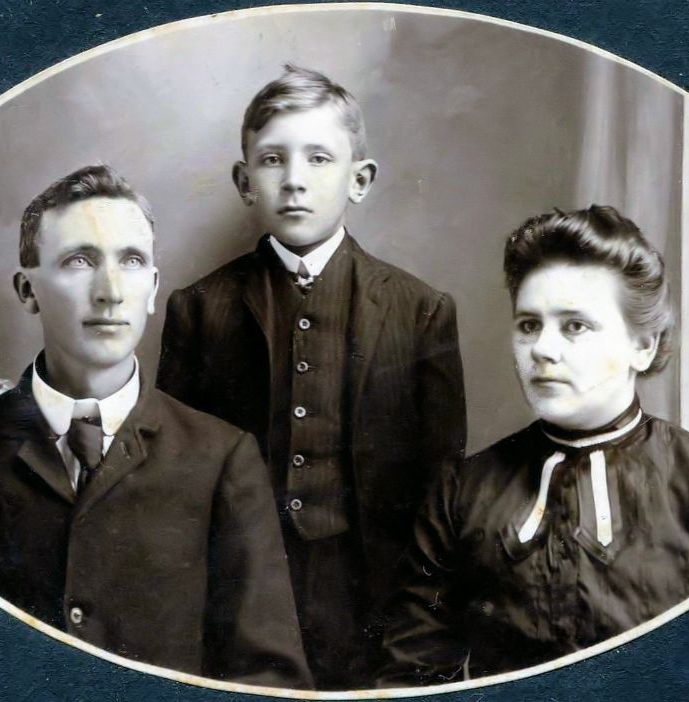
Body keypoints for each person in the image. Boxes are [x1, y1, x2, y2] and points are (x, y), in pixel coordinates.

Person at [0, 165, 311, 688]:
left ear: (154, 287)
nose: (110, 291)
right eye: (79, 261)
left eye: (132, 261)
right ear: (28, 290)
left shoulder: (221, 457)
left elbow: (271, 677)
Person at [379, 205, 689, 685]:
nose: (544, 350)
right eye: (529, 325)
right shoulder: (461, 493)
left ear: (644, 346)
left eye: (575, 326)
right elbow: (412, 676)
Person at [156, 65, 466, 689]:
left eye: (319, 159)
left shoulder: (420, 309)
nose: (294, 181)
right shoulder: (199, 308)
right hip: (242, 592)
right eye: (272, 160)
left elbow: (441, 485)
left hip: (375, 602)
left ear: (360, 179)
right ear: (245, 181)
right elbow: (174, 479)